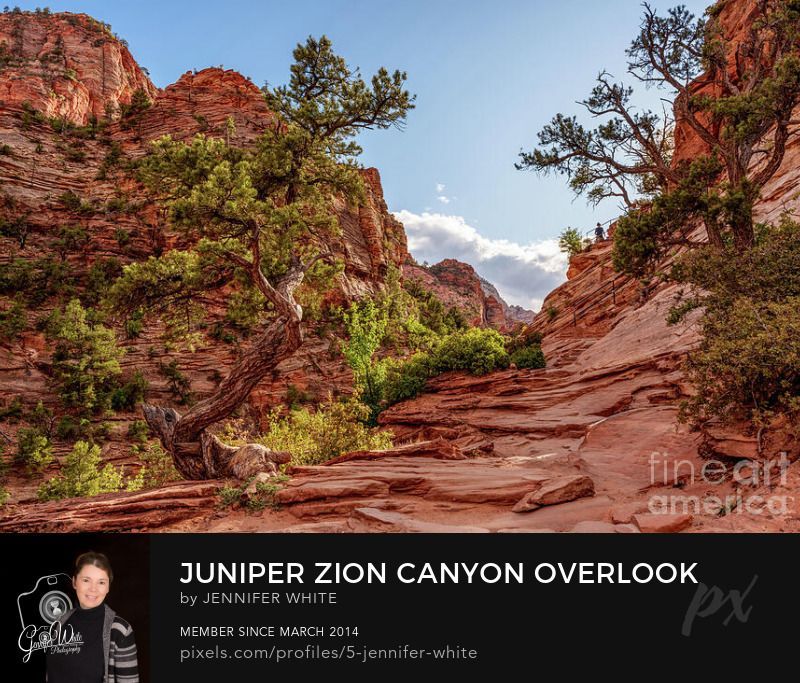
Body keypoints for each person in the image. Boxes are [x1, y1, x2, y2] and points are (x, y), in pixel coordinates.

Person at [46, 552, 139, 683]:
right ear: (74, 582)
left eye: (101, 582)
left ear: (108, 587)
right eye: (86, 580)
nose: (93, 589)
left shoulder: (120, 630)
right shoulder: (61, 621)